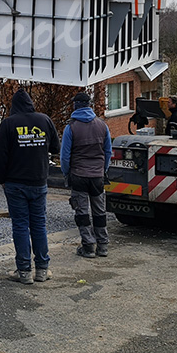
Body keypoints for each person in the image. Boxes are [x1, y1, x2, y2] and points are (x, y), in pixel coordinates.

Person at [0, 88, 59, 284]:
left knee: (20, 225)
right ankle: (42, 269)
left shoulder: (8, 124)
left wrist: (0, 178)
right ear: (31, 103)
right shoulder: (44, 120)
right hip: (38, 181)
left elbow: (0, 156)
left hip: (15, 183)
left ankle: (23, 271)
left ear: (13, 106)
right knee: (39, 225)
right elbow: (55, 147)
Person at [60, 91, 113, 258]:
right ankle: (102, 246)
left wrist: (66, 173)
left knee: (82, 212)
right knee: (100, 211)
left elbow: (65, 156)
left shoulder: (71, 127)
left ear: (75, 106)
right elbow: (108, 152)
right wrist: (103, 170)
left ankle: (88, 246)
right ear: (89, 105)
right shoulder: (102, 125)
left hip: (79, 175)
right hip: (97, 176)